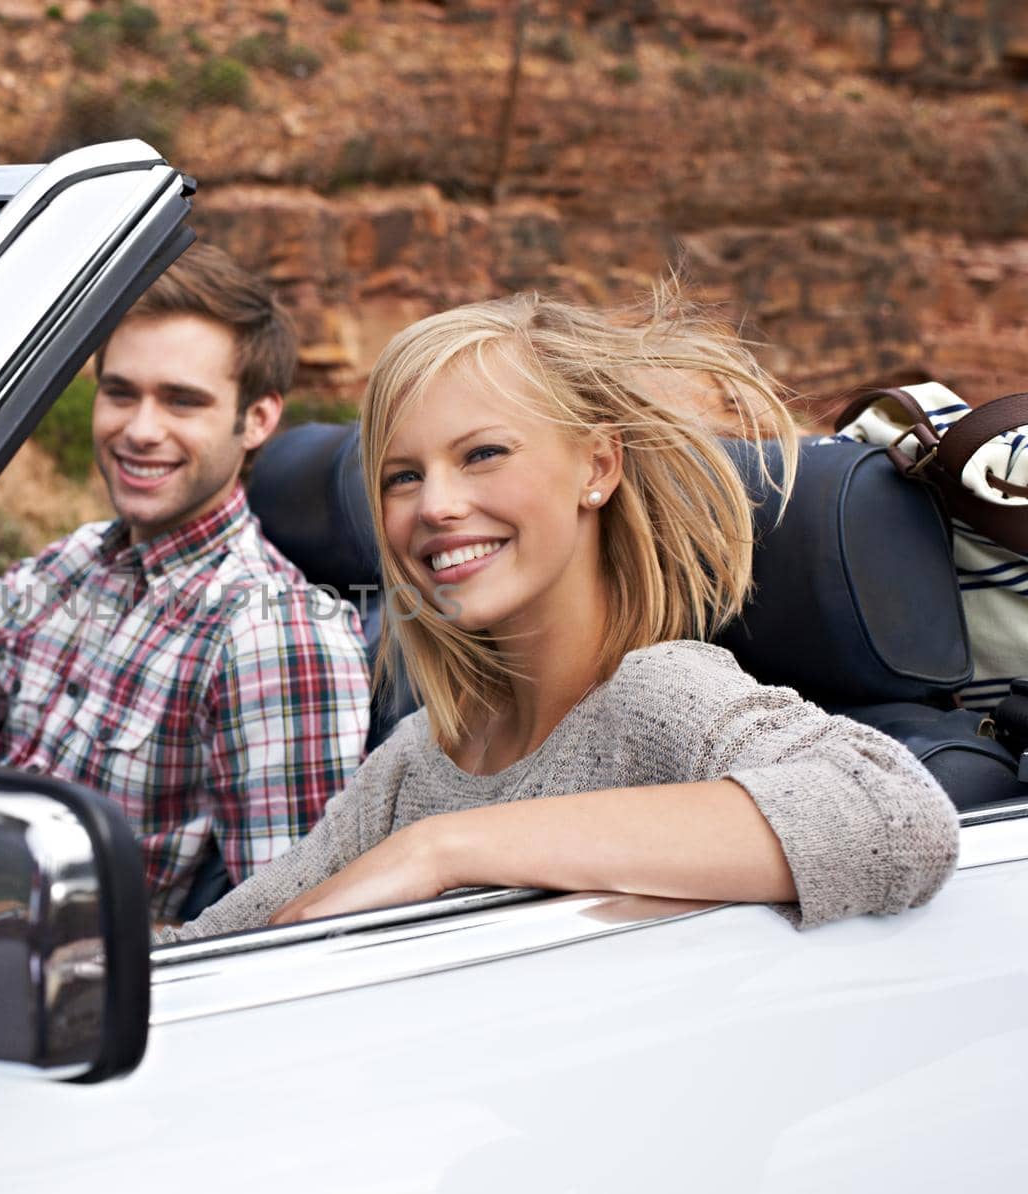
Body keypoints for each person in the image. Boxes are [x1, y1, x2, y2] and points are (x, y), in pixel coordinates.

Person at [160, 289, 959, 942]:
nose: (436, 505)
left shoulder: (658, 696)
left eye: (482, 454)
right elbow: (223, 946)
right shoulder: (420, 758)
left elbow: (900, 818)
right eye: (402, 476)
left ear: (598, 466)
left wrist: (447, 850)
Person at [0, 244, 371, 918]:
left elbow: (282, 926)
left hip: (67, 986)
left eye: (182, 401)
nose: (139, 430)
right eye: (120, 393)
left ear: (256, 420)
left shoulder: (273, 634)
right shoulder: (78, 564)